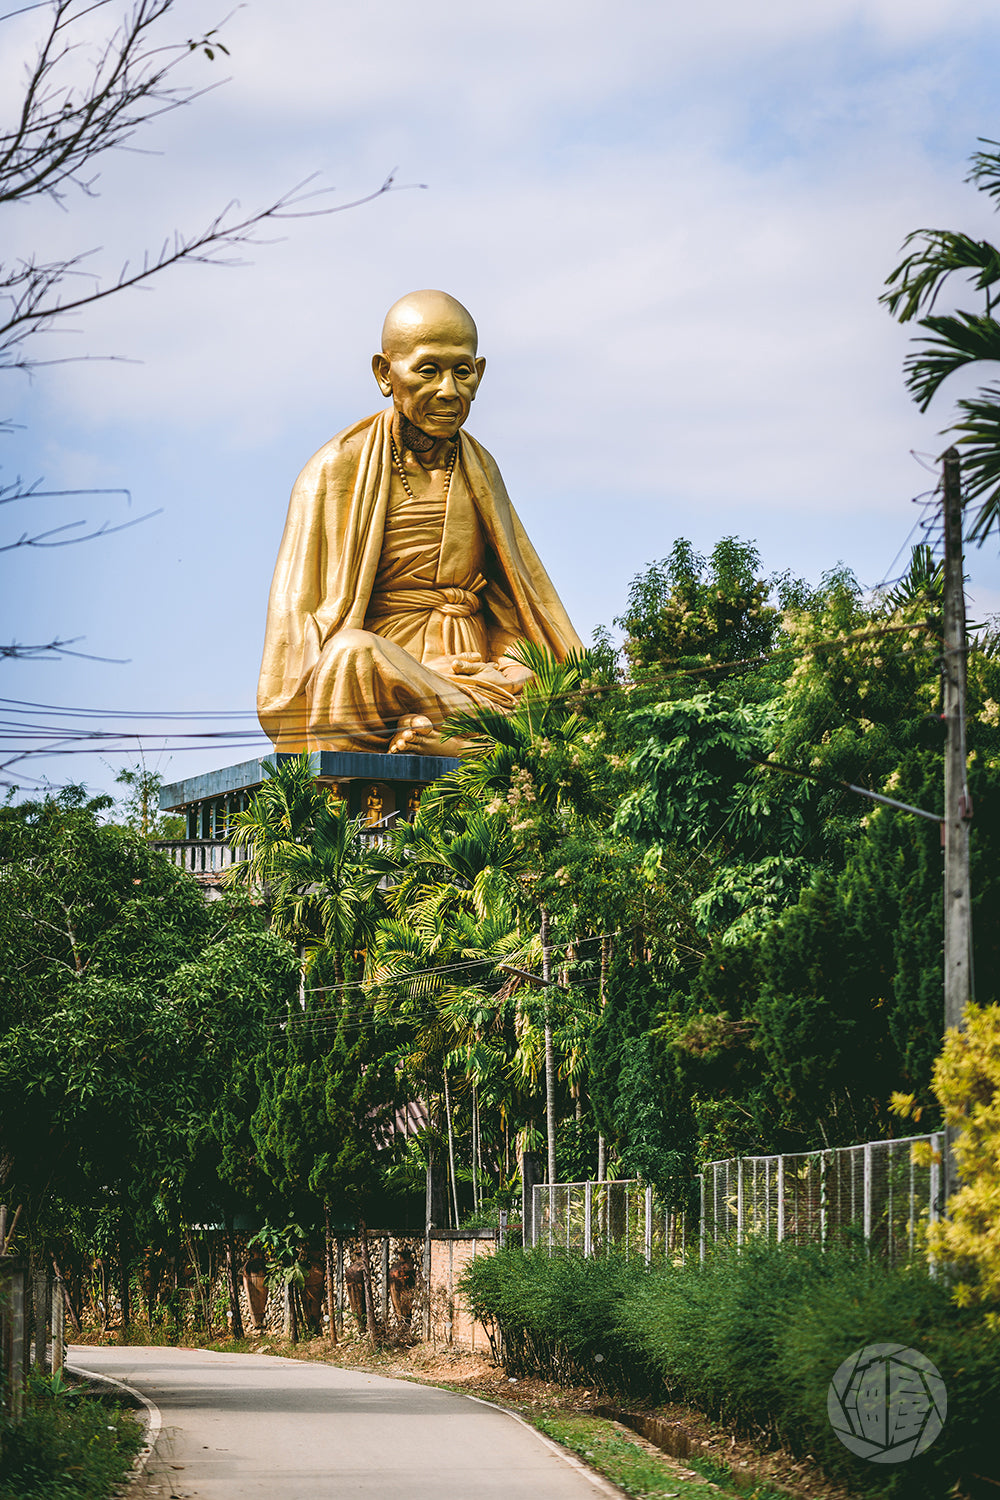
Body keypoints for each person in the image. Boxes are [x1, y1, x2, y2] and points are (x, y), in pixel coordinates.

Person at [257, 290, 582, 755]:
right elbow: (302, 627)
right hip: (383, 683)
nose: (449, 391)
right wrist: (418, 673)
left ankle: (445, 740)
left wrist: (513, 666)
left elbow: (514, 606)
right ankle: (467, 743)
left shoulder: (481, 471)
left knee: (556, 698)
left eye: (462, 372)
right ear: (385, 373)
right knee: (349, 656)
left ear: (480, 373)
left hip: (475, 683)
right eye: (428, 371)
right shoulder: (335, 470)